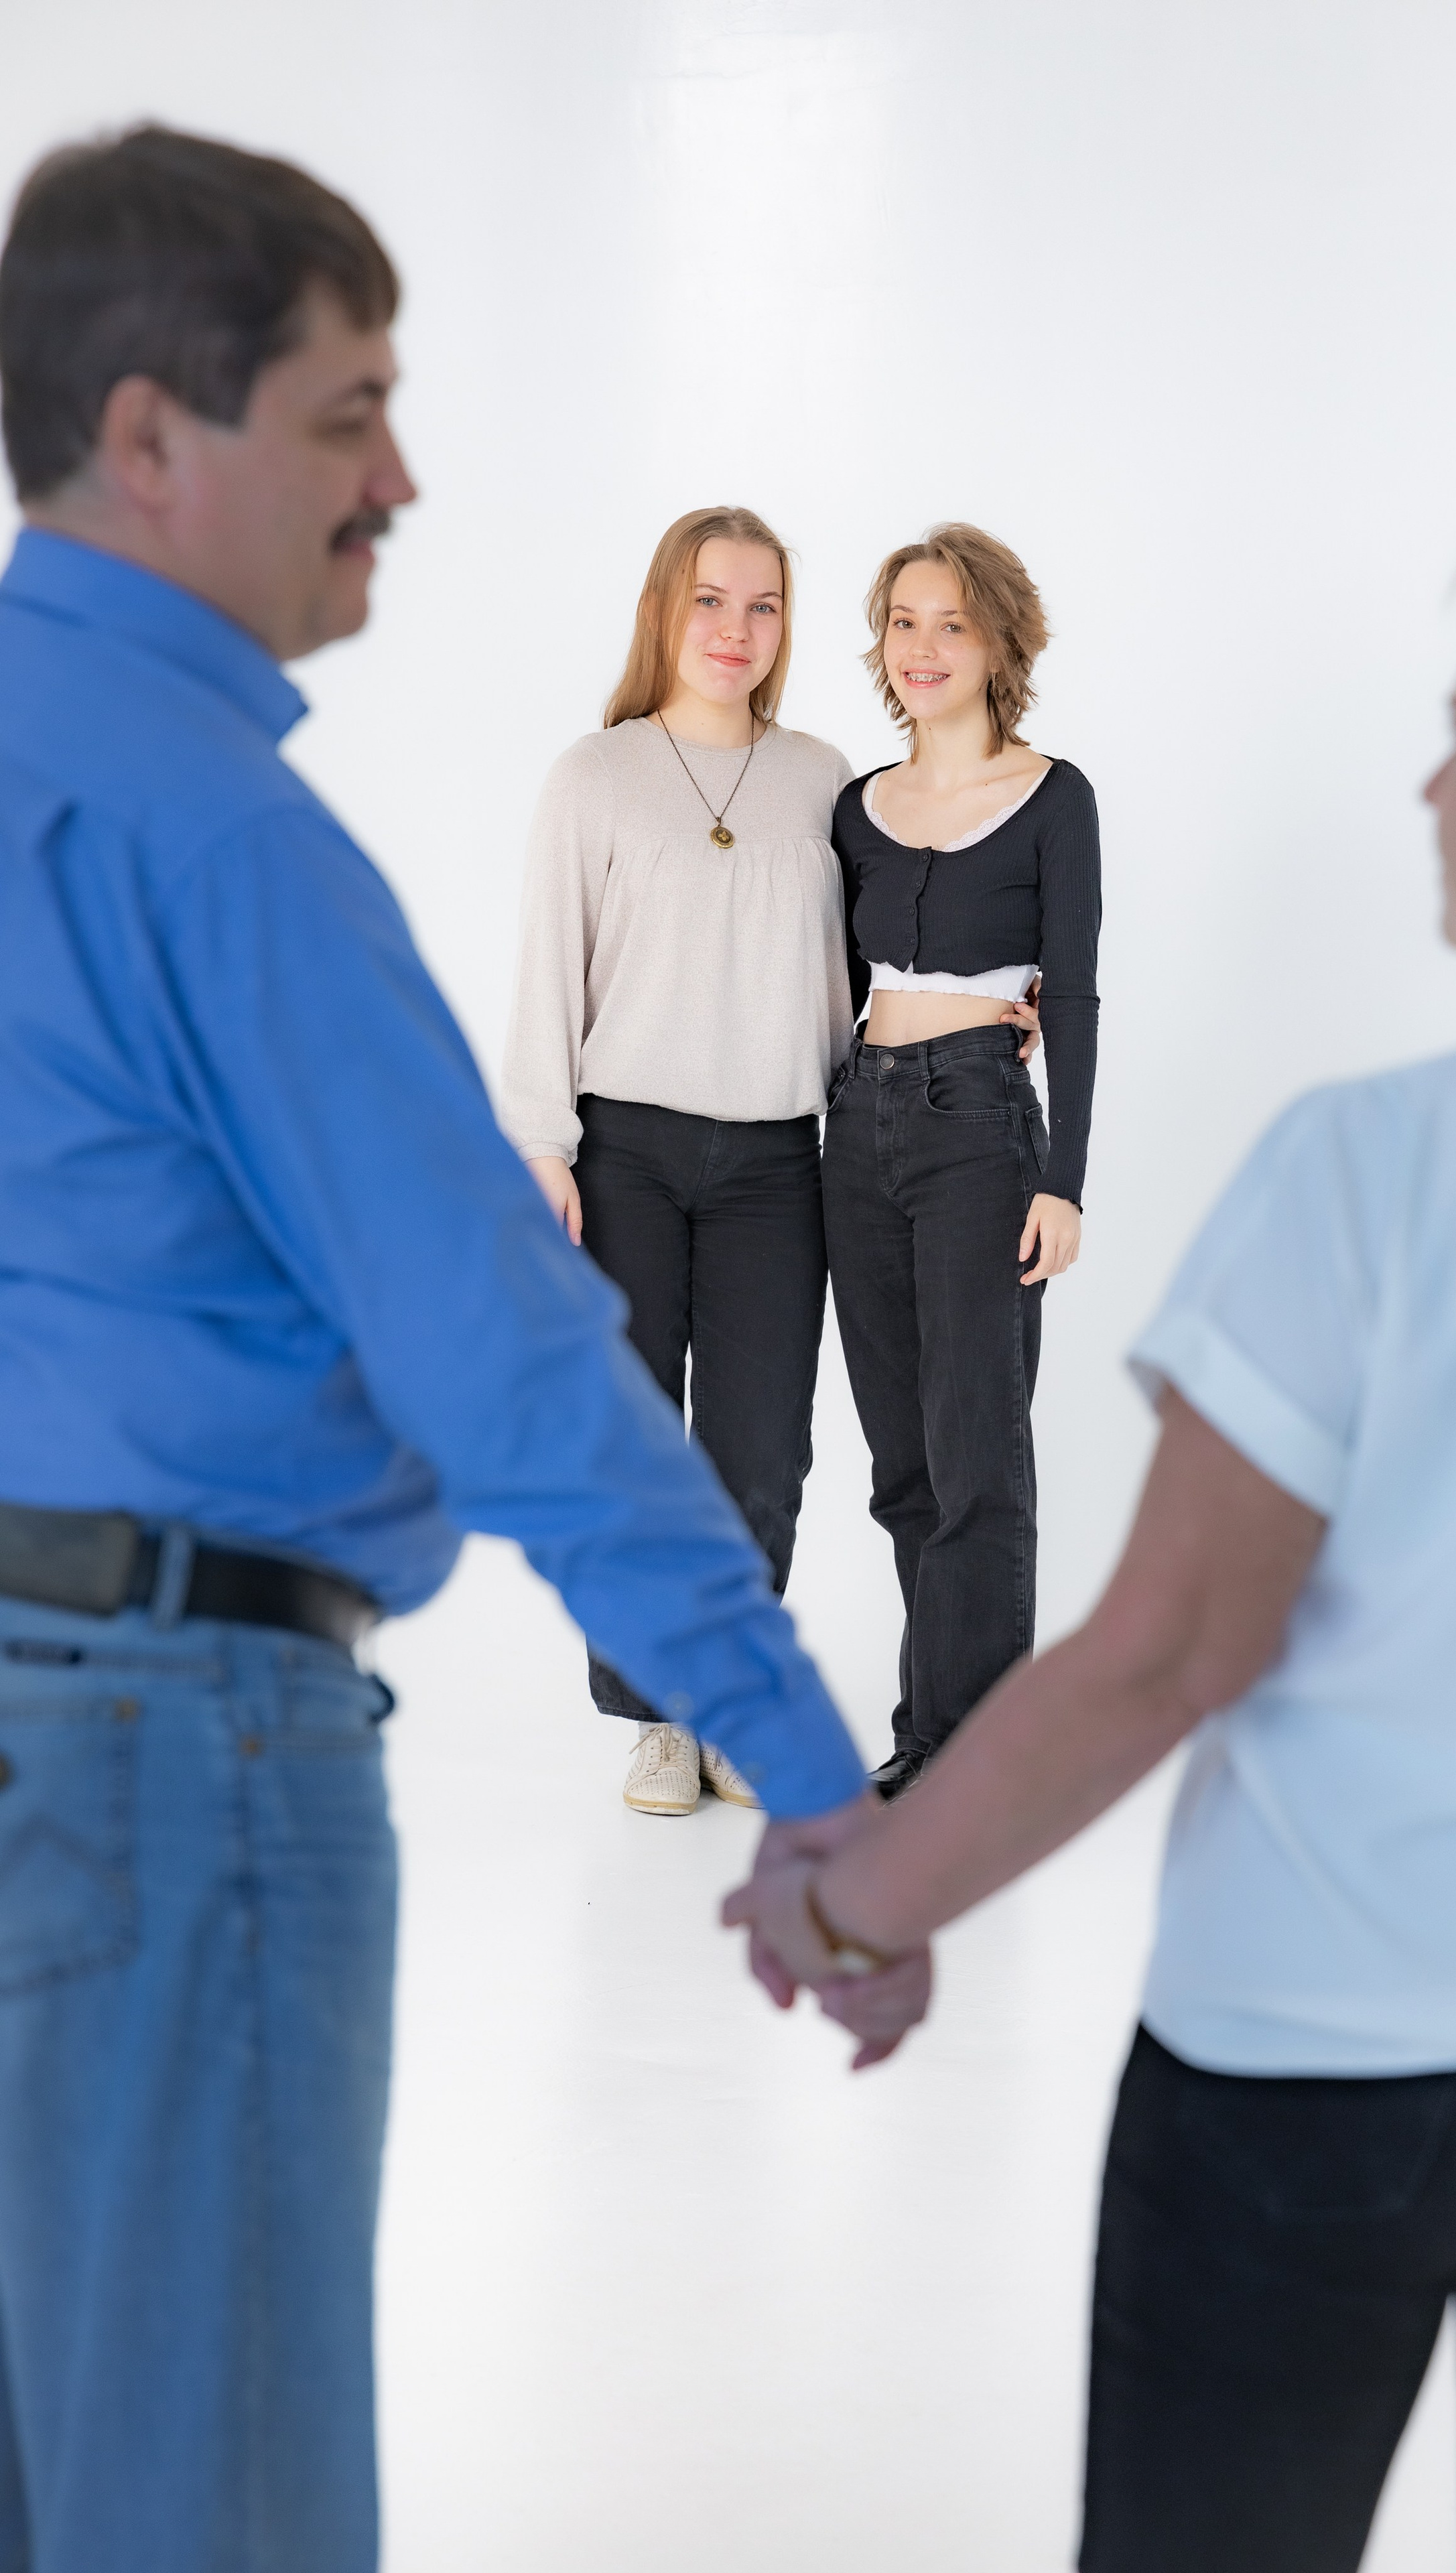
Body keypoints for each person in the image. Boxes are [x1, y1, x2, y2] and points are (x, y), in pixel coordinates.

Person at [0, 125, 925, 2573]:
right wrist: (810, 1772)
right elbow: (506, 1356)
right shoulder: (218, 840)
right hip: (164, 1761)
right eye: (351, 414)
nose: (401, 480)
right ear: (148, 435)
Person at [728, 535, 1456, 2570]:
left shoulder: (1377, 1166)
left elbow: (1171, 1647)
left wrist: (862, 1901)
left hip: (1315, 2069)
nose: (1428, 785)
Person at [500, 509, 851, 1818]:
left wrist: (988, 1006)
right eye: (710, 600)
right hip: (624, 1157)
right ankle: (655, 1717)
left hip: (778, 1161)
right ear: (662, 611)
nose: (735, 630)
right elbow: (547, 973)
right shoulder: (593, 777)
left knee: (761, 1455)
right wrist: (540, 1147)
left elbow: (867, 970)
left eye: (763, 606)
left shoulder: (822, 780)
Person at [822, 523, 1101, 1796]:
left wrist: (1065, 1180)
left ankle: (970, 1755)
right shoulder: (856, 810)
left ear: (999, 644)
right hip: (856, 1128)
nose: (922, 648)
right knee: (904, 1466)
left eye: (952, 624)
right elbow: (829, 985)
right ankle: (934, 1731)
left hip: (981, 1133)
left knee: (977, 1452)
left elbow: (1074, 995)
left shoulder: (1056, 797)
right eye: (903, 622)